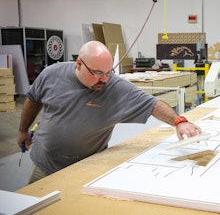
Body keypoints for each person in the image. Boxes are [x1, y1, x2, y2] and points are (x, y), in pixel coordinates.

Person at [16, 41, 202, 183]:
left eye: (108, 72)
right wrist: (23, 130)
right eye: (97, 73)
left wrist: (180, 121)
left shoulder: (114, 87)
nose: (104, 79)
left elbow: (153, 104)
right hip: (43, 163)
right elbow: (33, 99)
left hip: (85, 168)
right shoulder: (51, 74)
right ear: (79, 64)